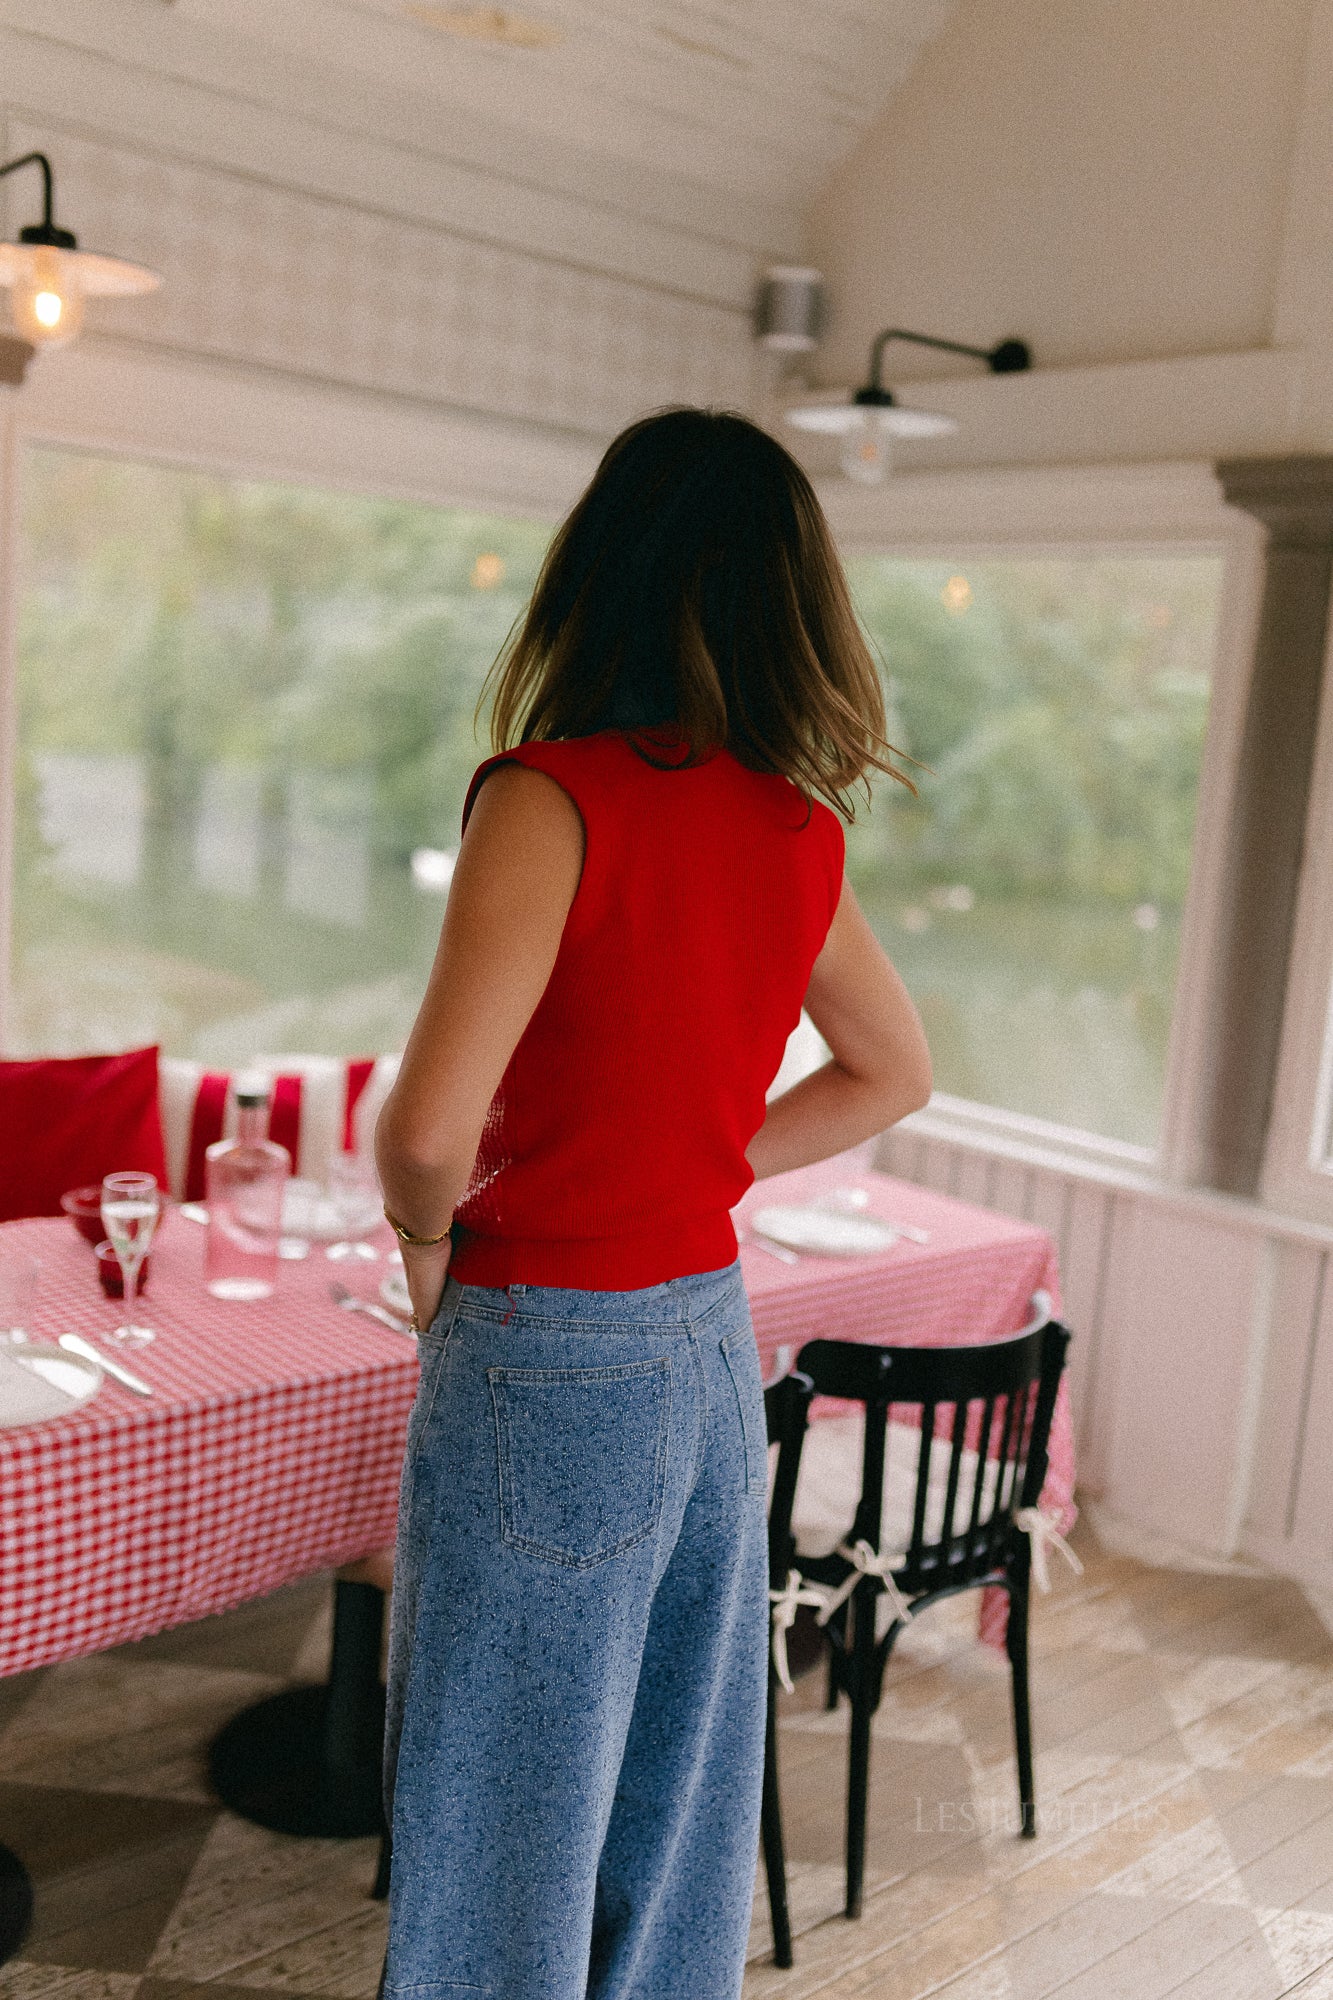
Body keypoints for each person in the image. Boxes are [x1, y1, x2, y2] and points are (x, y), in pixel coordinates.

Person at [373, 405, 932, 2000]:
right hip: (703, 1343)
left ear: (596, 574)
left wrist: (426, 1249)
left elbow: (423, 1131)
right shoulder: (798, 827)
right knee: (678, 1783)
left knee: (503, 1798)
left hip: (545, 1339)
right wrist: (695, 1170)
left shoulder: (549, 797)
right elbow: (889, 1070)